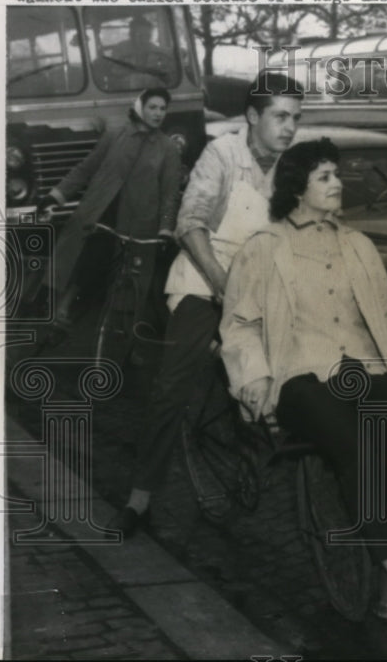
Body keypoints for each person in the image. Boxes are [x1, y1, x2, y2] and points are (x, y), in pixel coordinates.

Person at [221, 139, 387, 643]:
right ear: (298, 186)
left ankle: (386, 586)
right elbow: (239, 327)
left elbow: (386, 323)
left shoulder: (357, 244)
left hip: (362, 366)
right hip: (299, 375)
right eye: (325, 176)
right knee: (359, 450)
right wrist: (255, 385)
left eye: (336, 175)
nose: (338, 184)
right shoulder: (265, 246)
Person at [108, 72, 304, 536]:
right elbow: (190, 224)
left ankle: (255, 450)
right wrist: (223, 285)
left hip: (257, 288)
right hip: (203, 279)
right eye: (280, 116)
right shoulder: (223, 154)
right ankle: (140, 499)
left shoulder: (290, 167)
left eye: (297, 118)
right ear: (253, 116)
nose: (290, 127)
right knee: (171, 389)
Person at [36, 87, 180, 335]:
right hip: (101, 210)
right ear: (140, 107)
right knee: (92, 253)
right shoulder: (115, 135)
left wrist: (166, 227)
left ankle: (125, 338)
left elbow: (169, 194)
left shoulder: (167, 149)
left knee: (133, 279)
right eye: (152, 107)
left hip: (139, 219)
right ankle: (64, 307)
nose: (158, 113)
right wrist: (55, 195)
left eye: (162, 108)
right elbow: (85, 169)